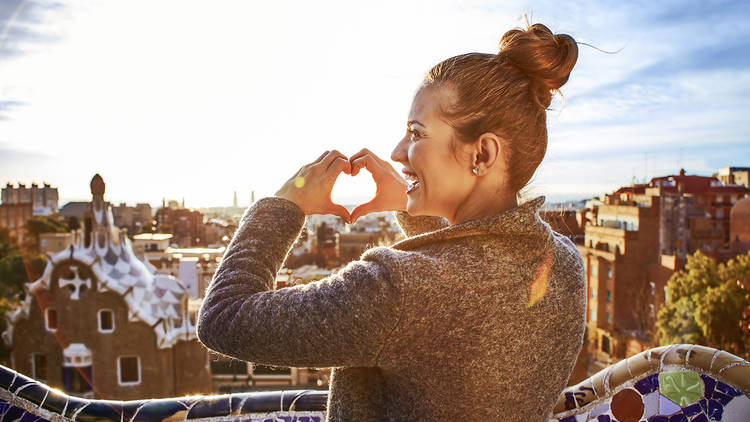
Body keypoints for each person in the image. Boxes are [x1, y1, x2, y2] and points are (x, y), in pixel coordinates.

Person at [197, 19, 586, 422]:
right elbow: (464, 295)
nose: (398, 152)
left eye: (416, 134)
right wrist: (413, 204)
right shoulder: (565, 266)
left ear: (483, 155)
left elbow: (223, 317)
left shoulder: (394, 289)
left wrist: (284, 206)